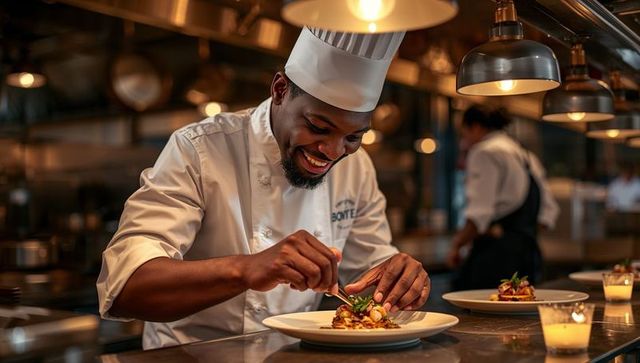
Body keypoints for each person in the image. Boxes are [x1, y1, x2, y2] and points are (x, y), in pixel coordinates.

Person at [97, 27, 430, 349]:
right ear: (280, 90)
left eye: (353, 137)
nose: (332, 151)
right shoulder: (199, 150)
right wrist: (246, 269)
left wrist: (398, 280)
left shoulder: (356, 168)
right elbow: (127, 289)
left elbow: (369, 277)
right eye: (317, 126)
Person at [447, 105, 559, 290]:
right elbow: (548, 213)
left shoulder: (484, 152)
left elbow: (478, 215)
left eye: (463, 133)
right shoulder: (526, 156)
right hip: (529, 256)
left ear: (475, 127)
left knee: (481, 316)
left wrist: (456, 246)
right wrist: (520, 236)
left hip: (495, 259)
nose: (463, 141)